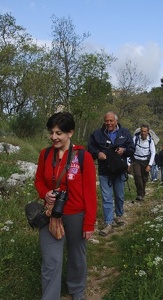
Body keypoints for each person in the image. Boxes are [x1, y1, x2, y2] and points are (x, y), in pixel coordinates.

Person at [34, 112, 97, 300]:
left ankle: (77, 291)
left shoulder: (83, 157)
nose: (54, 137)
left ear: (70, 133)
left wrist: (89, 223)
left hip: (76, 214)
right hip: (51, 214)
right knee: (51, 260)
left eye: (59, 133)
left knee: (77, 257)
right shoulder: (45, 154)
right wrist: (44, 193)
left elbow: (90, 194)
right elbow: (38, 180)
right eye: (51, 132)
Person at [88, 111, 135, 236]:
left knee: (119, 195)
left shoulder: (124, 132)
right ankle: (108, 223)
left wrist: (124, 150)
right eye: (106, 121)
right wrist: (98, 153)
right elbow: (90, 148)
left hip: (119, 170)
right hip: (105, 171)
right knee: (107, 198)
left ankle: (119, 215)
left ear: (116, 121)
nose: (108, 123)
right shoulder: (97, 134)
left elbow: (132, 148)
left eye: (111, 121)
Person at [131, 125, 156, 200]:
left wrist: (150, 165)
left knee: (144, 178)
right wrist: (128, 163)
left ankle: (142, 193)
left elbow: (153, 152)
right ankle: (140, 194)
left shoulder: (150, 141)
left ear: (148, 132)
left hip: (145, 161)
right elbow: (130, 150)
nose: (143, 133)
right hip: (136, 160)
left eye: (145, 131)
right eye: (142, 131)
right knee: (137, 176)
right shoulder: (135, 139)